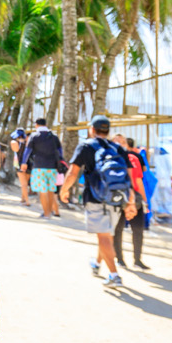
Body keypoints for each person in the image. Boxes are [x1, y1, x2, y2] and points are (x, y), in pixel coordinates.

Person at [60, 116, 134, 288]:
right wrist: (130, 201)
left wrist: (64, 190)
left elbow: (72, 173)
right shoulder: (118, 148)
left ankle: (114, 275)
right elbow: (129, 176)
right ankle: (97, 263)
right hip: (117, 198)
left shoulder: (86, 146)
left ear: (91, 129)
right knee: (106, 235)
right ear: (107, 131)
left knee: (103, 236)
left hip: (95, 197)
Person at [110, 135, 149, 270]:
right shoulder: (109, 158)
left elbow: (138, 180)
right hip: (116, 196)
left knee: (138, 229)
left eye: (123, 141)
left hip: (134, 196)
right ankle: (119, 258)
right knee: (118, 229)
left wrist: (144, 200)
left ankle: (137, 259)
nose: (121, 143)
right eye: (117, 141)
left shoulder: (133, 158)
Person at [22, 118, 64, 219]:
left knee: (42, 191)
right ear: (46, 124)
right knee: (50, 190)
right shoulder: (54, 137)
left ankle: (46, 213)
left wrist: (24, 162)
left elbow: (28, 151)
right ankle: (49, 213)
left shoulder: (34, 136)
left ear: (36, 125)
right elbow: (60, 151)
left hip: (39, 166)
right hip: (53, 167)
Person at [9, 129, 30, 206]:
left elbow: (16, 150)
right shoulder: (28, 142)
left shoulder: (14, 142)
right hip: (29, 163)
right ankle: (23, 198)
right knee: (26, 183)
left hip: (20, 164)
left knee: (23, 184)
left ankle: (27, 201)